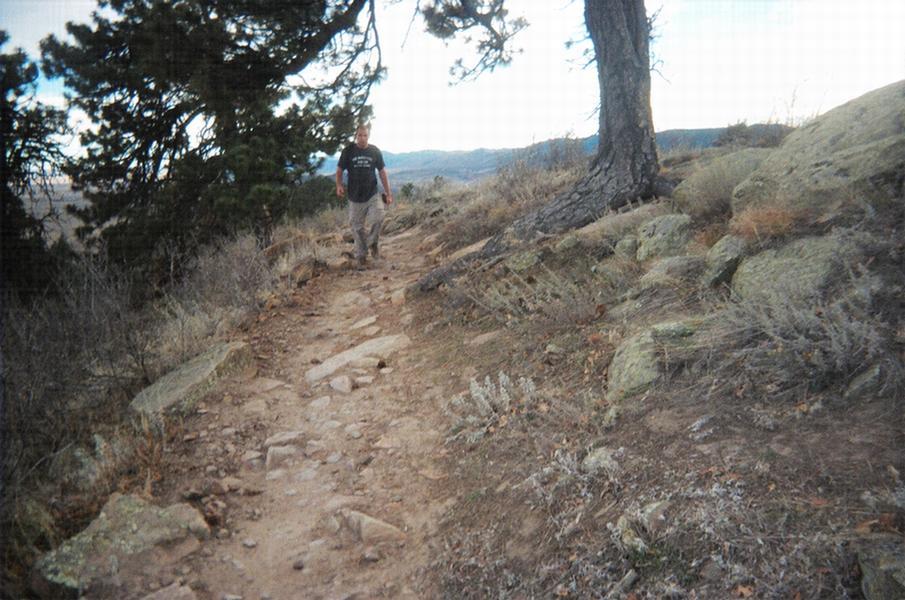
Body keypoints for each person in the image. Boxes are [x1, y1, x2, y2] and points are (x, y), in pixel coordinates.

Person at [335, 123, 393, 269]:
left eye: (365, 135)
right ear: (356, 136)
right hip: (355, 197)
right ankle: (361, 256)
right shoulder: (348, 151)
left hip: (372, 194)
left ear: (368, 136)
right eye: (359, 135)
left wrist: (388, 192)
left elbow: (382, 173)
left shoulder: (375, 152)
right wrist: (339, 185)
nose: (362, 138)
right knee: (357, 227)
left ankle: (372, 244)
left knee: (378, 217)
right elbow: (340, 170)